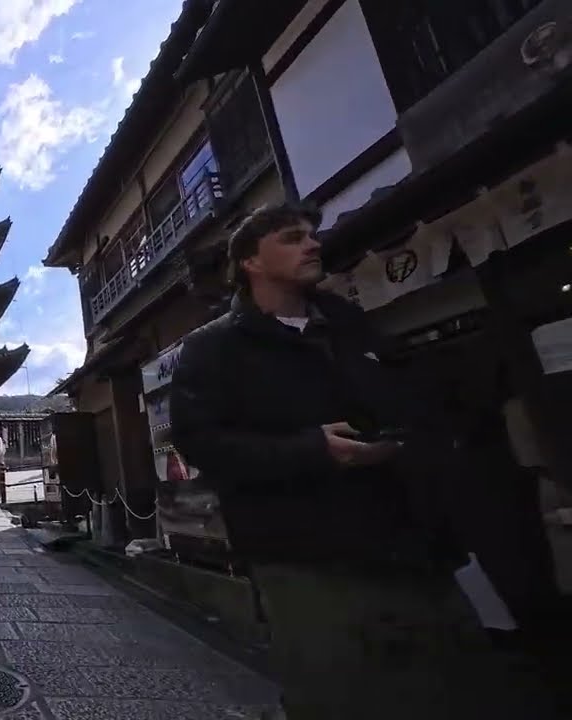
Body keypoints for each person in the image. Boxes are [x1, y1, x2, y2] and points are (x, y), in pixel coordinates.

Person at [169, 202, 558, 719]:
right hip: (307, 555)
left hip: (414, 543)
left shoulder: (350, 325)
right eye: (291, 238)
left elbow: (413, 405)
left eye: (312, 235)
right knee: (344, 695)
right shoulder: (214, 348)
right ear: (251, 262)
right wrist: (311, 449)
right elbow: (202, 443)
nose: (312, 244)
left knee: (461, 690)